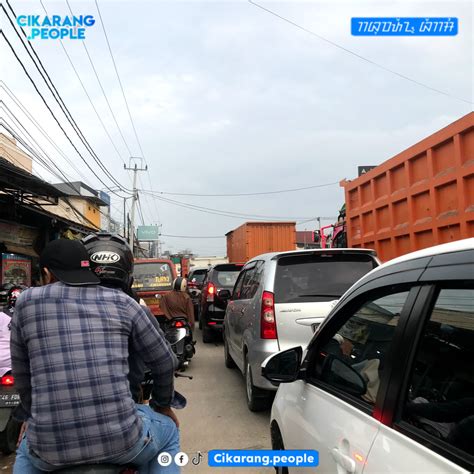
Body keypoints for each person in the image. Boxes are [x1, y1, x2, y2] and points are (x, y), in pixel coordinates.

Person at [11, 239, 182, 473]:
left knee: (24, 449)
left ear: (47, 273)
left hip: (49, 451)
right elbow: (165, 361)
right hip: (125, 442)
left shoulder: (26, 302)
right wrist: (162, 406)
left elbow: (22, 374)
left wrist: (33, 415)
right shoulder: (125, 303)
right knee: (169, 431)